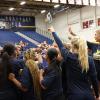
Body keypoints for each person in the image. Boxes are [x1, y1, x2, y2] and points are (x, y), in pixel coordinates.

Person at [49, 27, 100, 100]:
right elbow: (94, 79)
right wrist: (97, 95)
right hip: (88, 95)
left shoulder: (68, 57)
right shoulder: (90, 59)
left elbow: (60, 44)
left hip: (74, 95)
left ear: (73, 46)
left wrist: (53, 32)